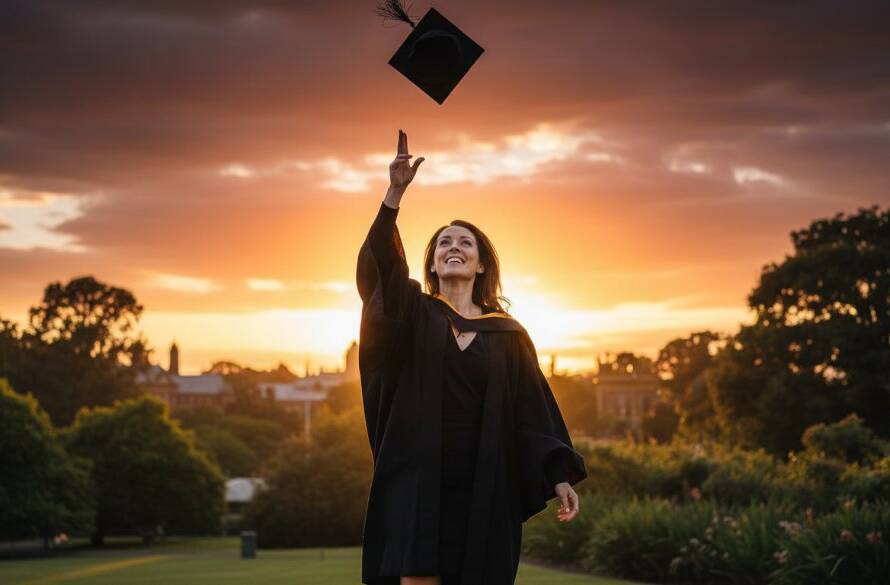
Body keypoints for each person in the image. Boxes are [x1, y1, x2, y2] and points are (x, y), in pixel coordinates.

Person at [357, 129, 588, 585]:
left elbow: (533, 410)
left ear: (481, 264)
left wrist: (557, 474)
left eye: (465, 243)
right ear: (433, 266)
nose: (454, 248)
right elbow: (380, 274)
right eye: (444, 243)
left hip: (485, 482)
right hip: (418, 478)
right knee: (417, 575)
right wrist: (394, 195)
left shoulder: (507, 335)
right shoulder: (414, 315)